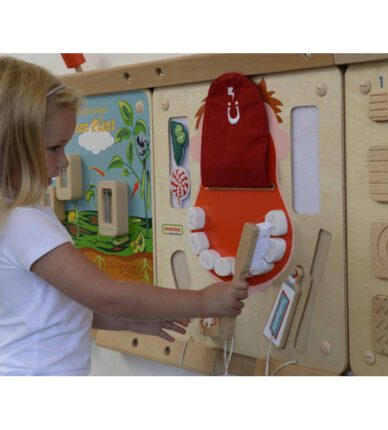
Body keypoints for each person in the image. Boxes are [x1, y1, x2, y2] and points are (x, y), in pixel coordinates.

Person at [0, 56, 249, 376]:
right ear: (11, 145)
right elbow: (108, 296)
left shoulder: (12, 216)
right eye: (54, 148)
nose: (64, 161)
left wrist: (128, 322)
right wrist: (203, 301)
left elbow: (49, 313)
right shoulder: (24, 222)